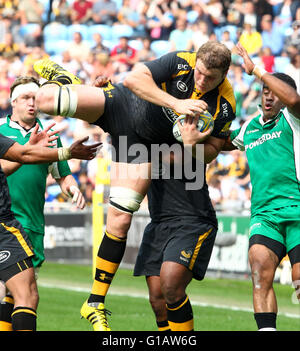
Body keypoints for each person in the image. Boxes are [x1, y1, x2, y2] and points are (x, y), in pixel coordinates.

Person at [32, 40, 236, 331]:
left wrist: (192, 146)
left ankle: (94, 302)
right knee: (46, 101)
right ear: (196, 62)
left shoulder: (225, 103)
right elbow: (133, 79)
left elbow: (213, 150)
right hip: (125, 103)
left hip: (140, 144)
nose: (201, 81)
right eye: (199, 73)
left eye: (210, 78)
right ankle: (67, 81)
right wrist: (177, 103)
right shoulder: (180, 60)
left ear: (224, 75)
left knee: (122, 216)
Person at [222, 43, 300, 330]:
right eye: (265, 92)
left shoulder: (294, 119)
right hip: (265, 215)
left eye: (274, 93)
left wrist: (256, 70)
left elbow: (292, 97)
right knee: (259, 271)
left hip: (298, 210)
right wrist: (193, 134)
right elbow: (220, 143)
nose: (269, 97)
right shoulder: (250, 127)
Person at [0, 76, 86, 331]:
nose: (32, 103)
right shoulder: (0, 131)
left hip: (32, 223)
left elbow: (62, 173)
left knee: (20, 294)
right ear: (13, 102)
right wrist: (26, 151)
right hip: (5, 220)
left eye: (36, 99)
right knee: (10, 288)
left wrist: (72, 188)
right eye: (26, 98)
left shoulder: (49, 135)